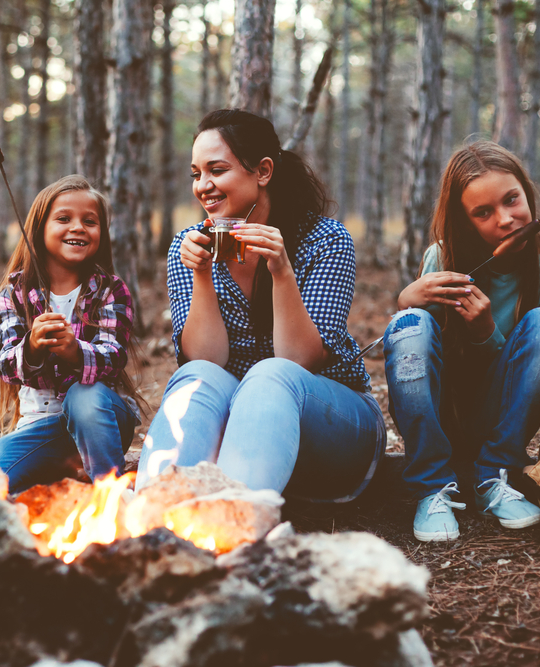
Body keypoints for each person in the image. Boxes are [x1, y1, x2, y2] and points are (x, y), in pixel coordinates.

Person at [135, 109, 385, 501]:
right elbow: (206, 359)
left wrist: (282, 271)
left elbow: (301, 361)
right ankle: (154, 515)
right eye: (196, 174)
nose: (204, 186)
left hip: (334, 433)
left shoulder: (324, 240)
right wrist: (202, 274)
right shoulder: (188, 246)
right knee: (196, 375)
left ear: (263, 171)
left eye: (216, 170)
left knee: (270, 376)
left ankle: (236, 520)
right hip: (240, 437)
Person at [384, 141, 540, 542]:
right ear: (464, 220)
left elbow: (533, 373)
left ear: (527, 193)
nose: (506, 220)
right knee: (412, 322)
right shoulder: (442, 260)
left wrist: (486, 333)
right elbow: (420, 360)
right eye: (483, 213)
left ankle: (495, 476)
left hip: (503, 422)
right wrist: (406, 302)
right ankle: (431, 486)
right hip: (444, 415)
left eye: (512, 200)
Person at [0, 175, 140, 493]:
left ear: (101, 233)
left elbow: (114, 357)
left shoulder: (109, 290)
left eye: (89, 221)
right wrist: (33, 347)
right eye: (64, 218)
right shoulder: (15, 294)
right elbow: (8, 365)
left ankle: (112, 496)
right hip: (39, 431)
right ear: (39, 229)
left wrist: (74, 352)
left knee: (85, 396)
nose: (78, 227)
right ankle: (51, 479)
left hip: (101, 421)